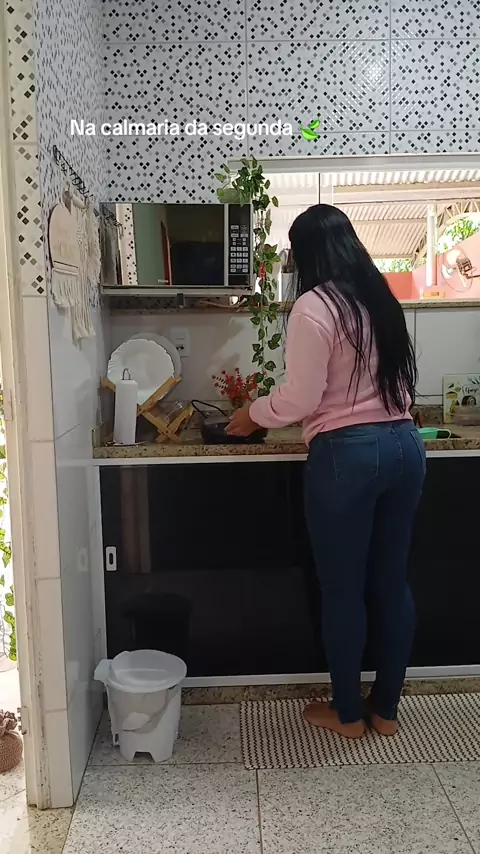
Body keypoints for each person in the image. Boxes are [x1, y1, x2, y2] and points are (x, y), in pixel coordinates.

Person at [226, 204, 426, 740]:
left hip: (348, 456)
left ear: (305, 254)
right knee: (391, 582)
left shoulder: (315, 306)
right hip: (405, 445)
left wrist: (252, 414)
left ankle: (347, 714)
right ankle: (386, 710)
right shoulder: (379, 297)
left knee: (342, 589)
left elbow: (301, 398)